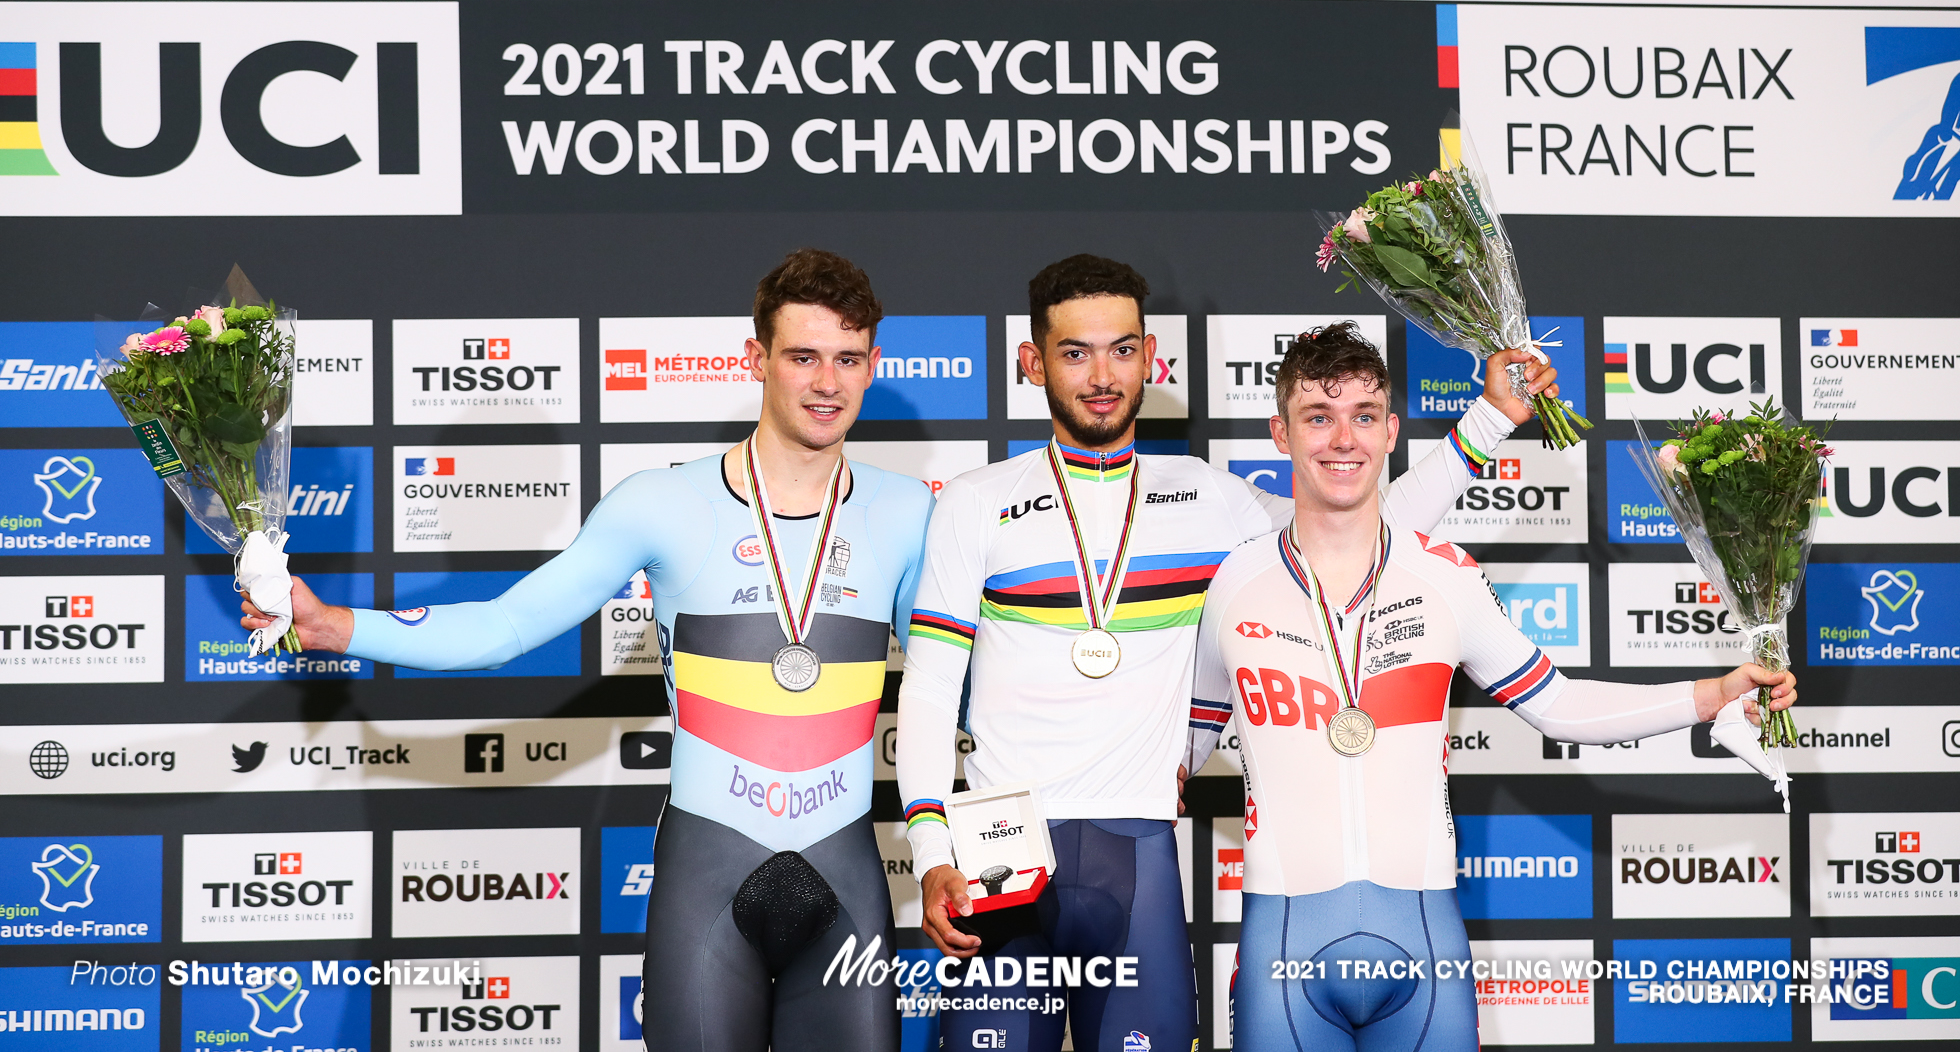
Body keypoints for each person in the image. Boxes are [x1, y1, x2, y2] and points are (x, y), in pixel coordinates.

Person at [239, 250, 933, 1052]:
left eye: (848, 359)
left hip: (847, 870)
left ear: (874, 364)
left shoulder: (908, 511)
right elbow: (506, 627)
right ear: (757, 359)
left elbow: (950, 690)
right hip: (708, 870)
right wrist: (333, 625)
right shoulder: (663, 503)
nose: (826, 382)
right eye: (803, 356)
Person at [896, 255, 1563, 1052]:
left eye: (1121, 348)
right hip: (999, 860)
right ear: (1033, 361)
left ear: (1149, 355)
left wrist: (1489, 418)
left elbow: (1356, 513)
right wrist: (932, 848)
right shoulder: (977, 501)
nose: (1102, 374)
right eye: (1075, 352)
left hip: (1137, 849)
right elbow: (932, 690)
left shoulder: (1207, 497)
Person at [1187, 324, 1797, 1052]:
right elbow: (1177, 751)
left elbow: (1561, 705)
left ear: (1392, 431)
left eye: (1363, 416)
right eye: (1318, 416)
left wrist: (1717, 691)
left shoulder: (1446, 575)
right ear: (1280, 434)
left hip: (1423, 939)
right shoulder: (1237, 583)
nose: (1341, 439)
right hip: (1281, 945)